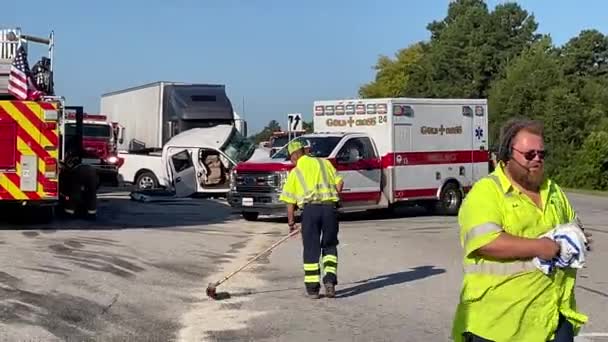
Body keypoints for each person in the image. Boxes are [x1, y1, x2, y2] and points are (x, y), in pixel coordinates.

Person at [452, 118, 591, 342]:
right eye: (529, 154)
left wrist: (576, 238)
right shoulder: (487, 192)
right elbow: (486, 242)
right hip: (499, 324)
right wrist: (541, 247)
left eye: (541, 155)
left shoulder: (552, 190)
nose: (537, 160)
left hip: (552, 317)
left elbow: (573, 224)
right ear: (508, 155)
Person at [279, 140, 344, 299]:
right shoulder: (324, 163)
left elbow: (289, 201)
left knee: (311, 249)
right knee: (329, 247)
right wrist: (333, 198)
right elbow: (340, 183)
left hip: (310, 211)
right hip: (329, 209)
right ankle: (330, 282)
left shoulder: (296, 172)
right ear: (304, 151)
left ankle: (313, 289)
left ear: (294, 156)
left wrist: (291, 223)